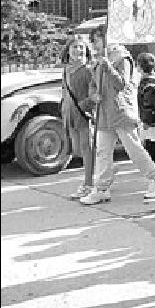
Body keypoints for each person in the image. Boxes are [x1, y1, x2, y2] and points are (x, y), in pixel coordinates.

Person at [80, 40, 155, 205]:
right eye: (93, 41)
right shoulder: (98, 60)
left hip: (121, 112)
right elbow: (93, 84)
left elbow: (122, 84)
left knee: (133, 148)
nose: (94, 45)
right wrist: (93, 95)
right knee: (102, 152)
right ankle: (101, 188)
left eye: (97, 41)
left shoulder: (123, 59)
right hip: (104, 113)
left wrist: (109, 67)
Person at [61, 37, 95, 199]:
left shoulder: (88, 70)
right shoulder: (66, 70)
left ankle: (89, 184)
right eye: (75, 47)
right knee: (78, 150)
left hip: (83, 115)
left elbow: (94, 95)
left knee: (86, 149)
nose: (78, 50)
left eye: (81, 47)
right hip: (70, 115)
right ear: (68, 51)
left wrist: (85, 106)